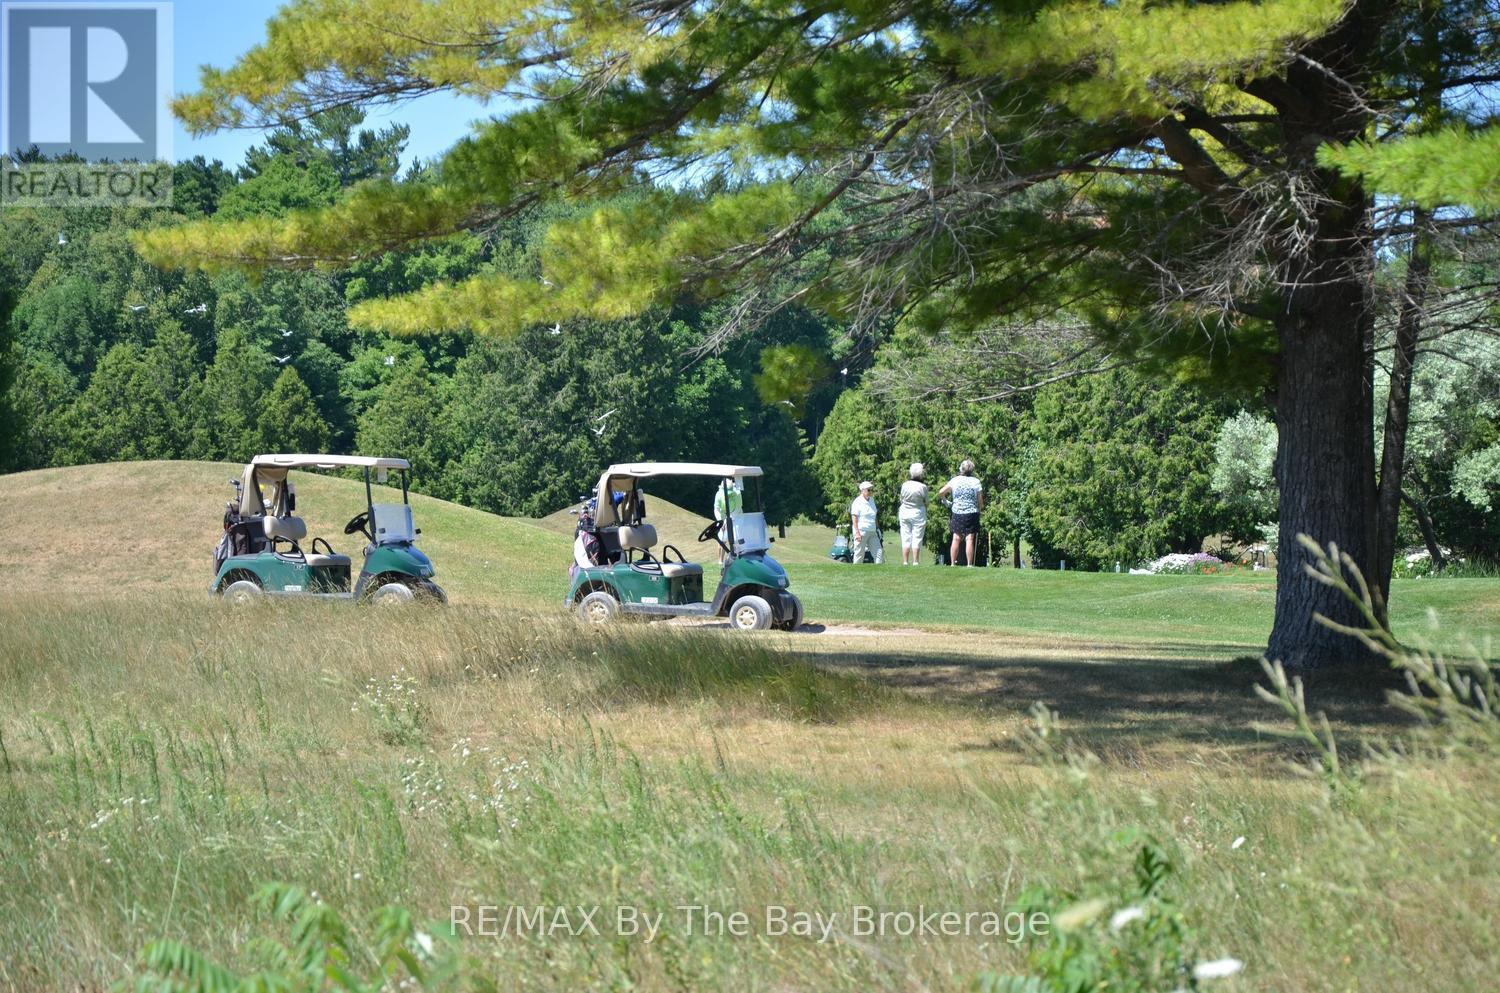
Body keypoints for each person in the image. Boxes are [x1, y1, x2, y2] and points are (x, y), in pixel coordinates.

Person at [937, 459, 984, 567]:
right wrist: (980, 509)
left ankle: (953, 563)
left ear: (961, 469)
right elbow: (980, 501)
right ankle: (969, 564)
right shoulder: (976, 481)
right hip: (971, 512)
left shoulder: (955, 480)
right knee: (969, 538)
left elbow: (941, 492)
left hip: (957, 512)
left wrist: (945, 501)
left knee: (956, 538)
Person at [898, 462, 929, 565]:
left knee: (905, 536)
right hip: (918, 512)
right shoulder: (923, 486)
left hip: (905, 511)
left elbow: (901, 498)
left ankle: (905, 561)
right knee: (917, 537)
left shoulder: (905, 485)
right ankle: (915, 561)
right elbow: (927, 502)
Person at [850, 480, 883, 564]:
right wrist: (857, 532)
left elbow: (874, 515)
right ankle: (856, 572)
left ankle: (879, 572)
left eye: (871, 489)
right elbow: (854, 517)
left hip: (872, 531)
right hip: (861, 531)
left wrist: (878, 528)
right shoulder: (857, 502)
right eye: (868, 490)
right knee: (859, 554)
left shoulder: (871, 500)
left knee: (879, 553)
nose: (870, 492)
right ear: (862, 491)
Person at [712, 477, 742, 563]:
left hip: (736, 516)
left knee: (736, 537)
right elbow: (716, 509)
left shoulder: (737, 493)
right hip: (722, 515)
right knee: (722, 538)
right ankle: (720, 561)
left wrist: (728, 521)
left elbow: (737, 509)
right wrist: (721, 522)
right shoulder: (719, 494)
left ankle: (736, 558)